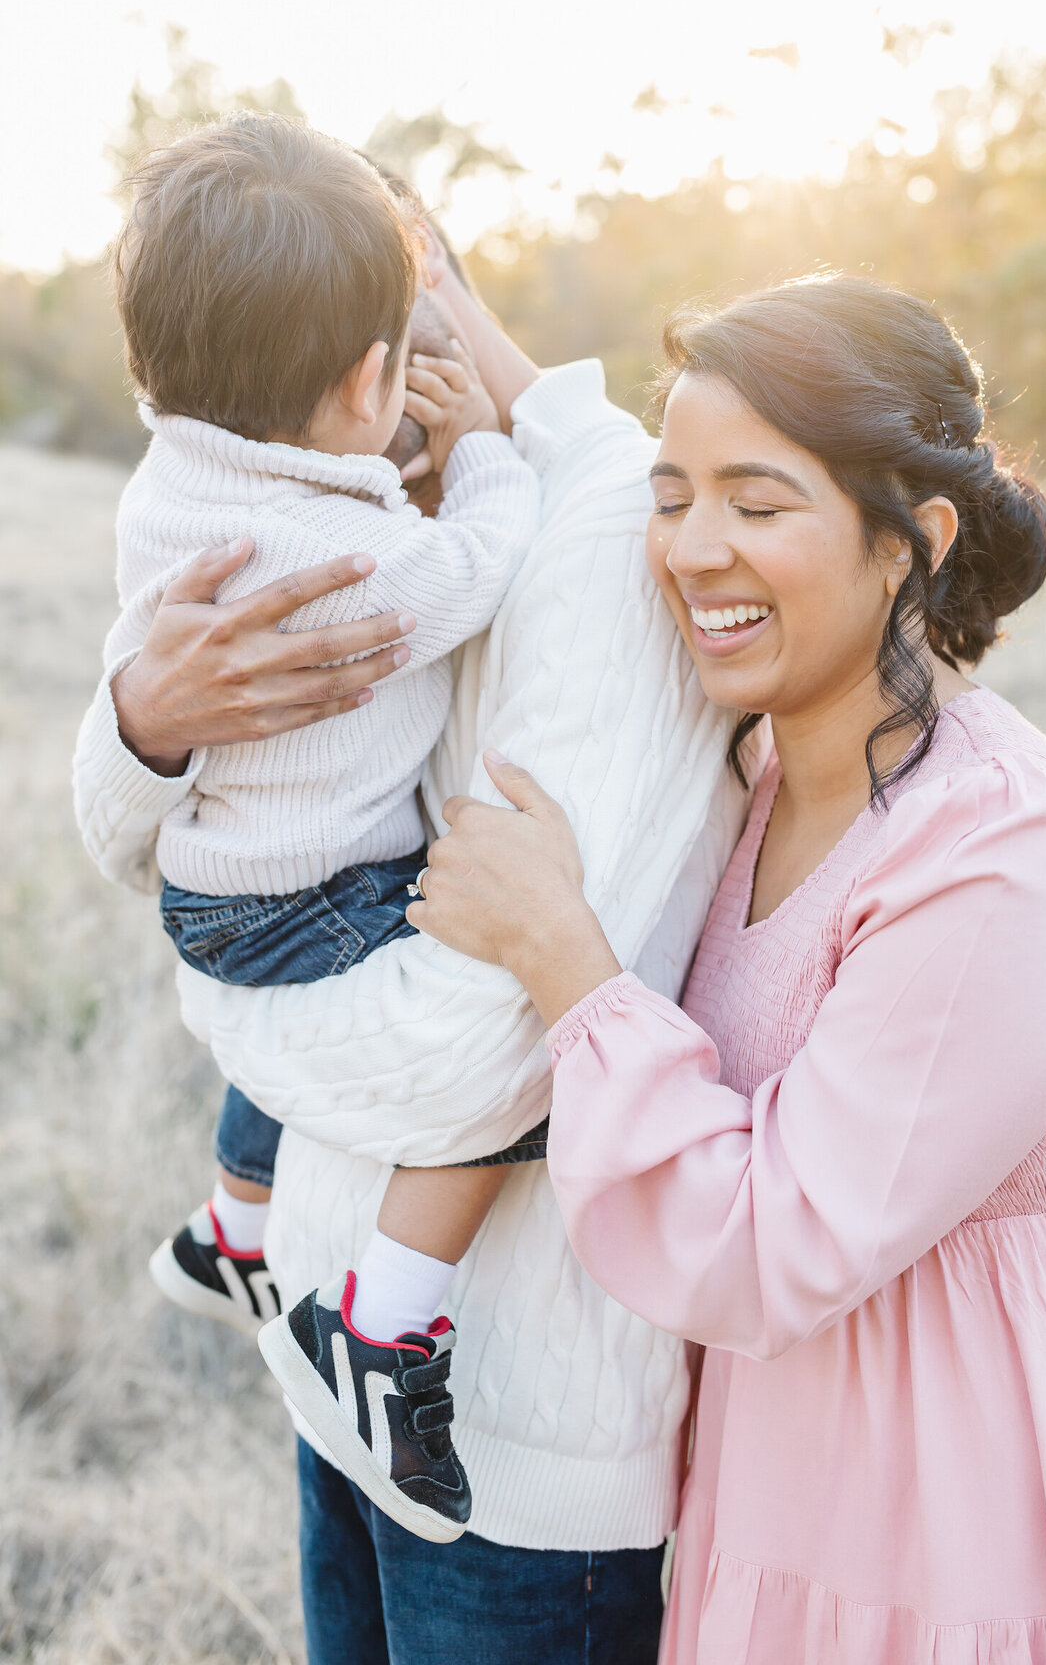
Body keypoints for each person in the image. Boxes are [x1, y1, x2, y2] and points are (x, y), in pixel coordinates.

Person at [400, 274, 1046, 1661]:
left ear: (912, 543)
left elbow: (776, 1239)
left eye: (758, 504)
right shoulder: (763, 773)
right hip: (781, 1501)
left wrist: (562, 959)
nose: (693, 549)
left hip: (971, 1531)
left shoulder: (1010, 858)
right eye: (672, 495)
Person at [73, 218, 747, 1661]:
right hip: (326, 1352)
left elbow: (494, 1050)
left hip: (506, 1451)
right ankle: (262, 1248)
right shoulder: (327, 504)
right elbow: (123, 833)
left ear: (418, 278)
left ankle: (271, 1249)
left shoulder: (602, 527)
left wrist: (221, 1008)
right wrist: (145, 719)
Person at [92, 109, 544, 1540]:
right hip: (314, 899)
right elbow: (469, 572)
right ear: (372, 381)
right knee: (521, 1048)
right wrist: (488, 458)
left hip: (215, 886)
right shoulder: (352, 563)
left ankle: (235, 1218)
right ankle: (386, 1325)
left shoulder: (170, 489)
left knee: (298, 983)